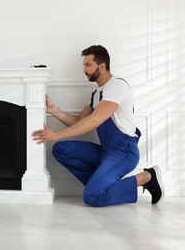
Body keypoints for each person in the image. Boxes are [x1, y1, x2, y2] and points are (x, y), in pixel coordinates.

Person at [32, 45, 164, 207]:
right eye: (83, 65)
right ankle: (103, 185)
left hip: (124, 152)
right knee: (61, 149)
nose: (84, 69)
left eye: (87, 65)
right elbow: (79, 120)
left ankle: (146, 177)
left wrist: (56, 134)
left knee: (92, 197)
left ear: (102, 66)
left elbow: (96, 120)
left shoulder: (117, 86)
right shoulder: (95, 94)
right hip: (106, 151)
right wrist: (53, 110)